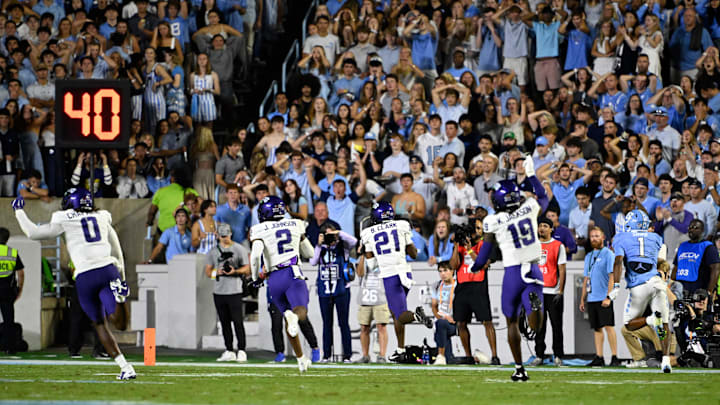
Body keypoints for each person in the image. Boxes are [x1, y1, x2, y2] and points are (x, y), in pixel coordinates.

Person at [12, 188, 135, 380]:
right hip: (108, 268)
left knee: (99, 324)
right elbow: (115, 245)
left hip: (85, 275)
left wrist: (19, 212)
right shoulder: (102, 216)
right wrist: (121, 274)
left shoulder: (62, 217)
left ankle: (126, 367)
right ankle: (119, 297)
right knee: (120, 324)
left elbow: (33, 233)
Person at [471, 158, 548, 381]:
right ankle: (535, 309)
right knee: (535, 325)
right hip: (533, 269)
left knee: (511, 322)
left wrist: (475, 263)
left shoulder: (492, 221)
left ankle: (519, 368)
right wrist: (532, 175)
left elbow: (484, 254)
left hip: (513, 273)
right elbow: (542, 196)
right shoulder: (529, 207)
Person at [249, 196, 316, 372]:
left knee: (288, 318)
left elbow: (255, 256)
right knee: (300, 312)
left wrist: (256, 278)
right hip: (292, 272)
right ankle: (302, 355)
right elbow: (309, 252)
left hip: (274, 279)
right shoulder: (295, 224)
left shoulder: (259, 229)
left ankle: (301, 359)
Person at [360, 202, 432, 361]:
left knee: (400, 315)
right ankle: (400, 350)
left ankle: (416, 316)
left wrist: (368, 253)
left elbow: (372, 265)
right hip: (406, 273)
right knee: (396, 312)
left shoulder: (368, 232)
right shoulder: (402, 225)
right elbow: (413, 254)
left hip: (390, 275)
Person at [612, 209, 672, 373]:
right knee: (665, 324)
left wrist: (616, 286)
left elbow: (618, 262)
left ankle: (651, 321)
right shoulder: (657, 238)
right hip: (657, 283)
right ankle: (666, 361)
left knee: (629, 325)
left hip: (639, 286)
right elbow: (660, 261)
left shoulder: (622, 238)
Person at [449, 216, 499, 365]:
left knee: (487, 322)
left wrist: (470, 248)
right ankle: (468, 355)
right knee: (461, 323)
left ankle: (495, 356)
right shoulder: (461, 245)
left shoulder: (487, 244)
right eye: (474, 228)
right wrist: (457, 245)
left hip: (478, 286)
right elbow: (453, 265)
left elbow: (481, 264)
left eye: (479, 228)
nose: (476, 231)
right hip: (462, 286)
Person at [309, 223, 356, 362]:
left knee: (343, 323)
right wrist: (319, 245)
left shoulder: (343, 246)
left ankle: (347, 355)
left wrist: (339, 233)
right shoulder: (321, 248)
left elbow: (354, 241)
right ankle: (327, 355)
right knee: (327, 324)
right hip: (325, 290)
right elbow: (312, 262)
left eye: (332, 234)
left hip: (342, 289)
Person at [204, 223, 250, 362]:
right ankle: (229, 349)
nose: (225, 239)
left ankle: (241, 349)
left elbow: (247, 268)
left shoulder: (239, 249)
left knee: (237, 322)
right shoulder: (213, 252)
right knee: (224, 323)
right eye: (222, 236)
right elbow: (207, 271)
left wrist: (235, 271)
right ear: (218, 236)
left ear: (231, 234)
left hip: (234, 290)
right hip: (219, 291)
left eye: (227, 235)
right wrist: (215, 272)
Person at [579, 227, 620, 367]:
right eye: (592, 236)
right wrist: (582, 298)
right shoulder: (588, 256)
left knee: (609, 326)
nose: (594, 238)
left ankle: (615, 357)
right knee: (597, 329)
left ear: (603, 237)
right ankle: (599, 356)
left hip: (604, 297)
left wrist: (609, 297)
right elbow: (586, 278)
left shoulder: (608, 254)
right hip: (592, 298)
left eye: (597, 236)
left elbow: (612, 277)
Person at [530, 217, 567, 366]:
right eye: (540, 226)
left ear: (551, 229)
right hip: (537, 291)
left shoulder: (558, 246)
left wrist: (561, 291)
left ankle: (558, 356)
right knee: (539, 326)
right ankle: (539, 355)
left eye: (545, 226)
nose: (542, 229)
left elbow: (562, 270)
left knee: (557, 326)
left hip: (553, 291)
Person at [356, 248, 390, 363]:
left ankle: (382, 355)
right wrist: (362, 256)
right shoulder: (363, 258)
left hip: (380, 296)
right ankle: (365, 355)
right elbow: (360, 273)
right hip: (365, 296)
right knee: (364, 327)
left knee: (381, 326)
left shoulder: (383, 257)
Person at [672, 219, 720, 296]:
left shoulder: (708, 247)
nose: (692, 230)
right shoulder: (682, 246)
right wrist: (671, 283)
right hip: (680, 288)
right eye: (690, 227)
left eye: (695, 228)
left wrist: (709, 292)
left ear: (702, 230)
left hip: (699, 290)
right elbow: (676, 267)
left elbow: (716, 269)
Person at [431, 261, 457, 365]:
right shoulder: (436, 285)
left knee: (440, 325)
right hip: (441, 321)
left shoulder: (458, 285)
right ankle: (446, 357)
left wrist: (455, 318)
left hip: (454, 322)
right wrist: (440, 317)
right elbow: (434, 306)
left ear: (452, 271)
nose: (442, 273)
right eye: (440, 271)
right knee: (440, 324)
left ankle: (440, 356)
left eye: (445, 270)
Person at [0, 227, 23, 332]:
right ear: (7, 239)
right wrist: (20, 289)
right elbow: (20, 274)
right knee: (9, 320)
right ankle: (9, 347)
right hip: (7, 291)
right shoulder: (12, 252)